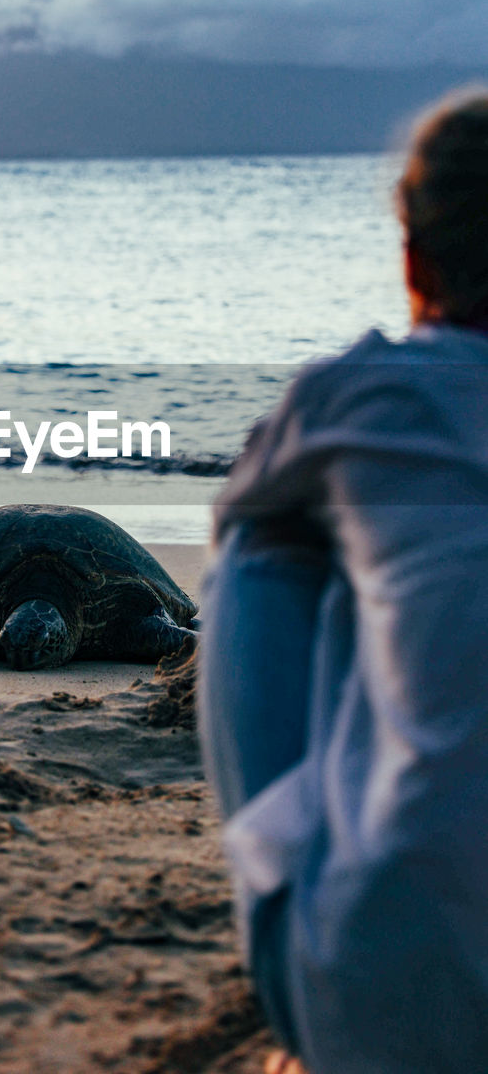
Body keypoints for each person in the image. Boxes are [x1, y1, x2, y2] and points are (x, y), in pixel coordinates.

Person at [197, 91, 488, 1074]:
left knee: (271, 541)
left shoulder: (361, 394)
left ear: (413, 260)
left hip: (396, 1002)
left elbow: (244, 509)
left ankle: (291, 866)